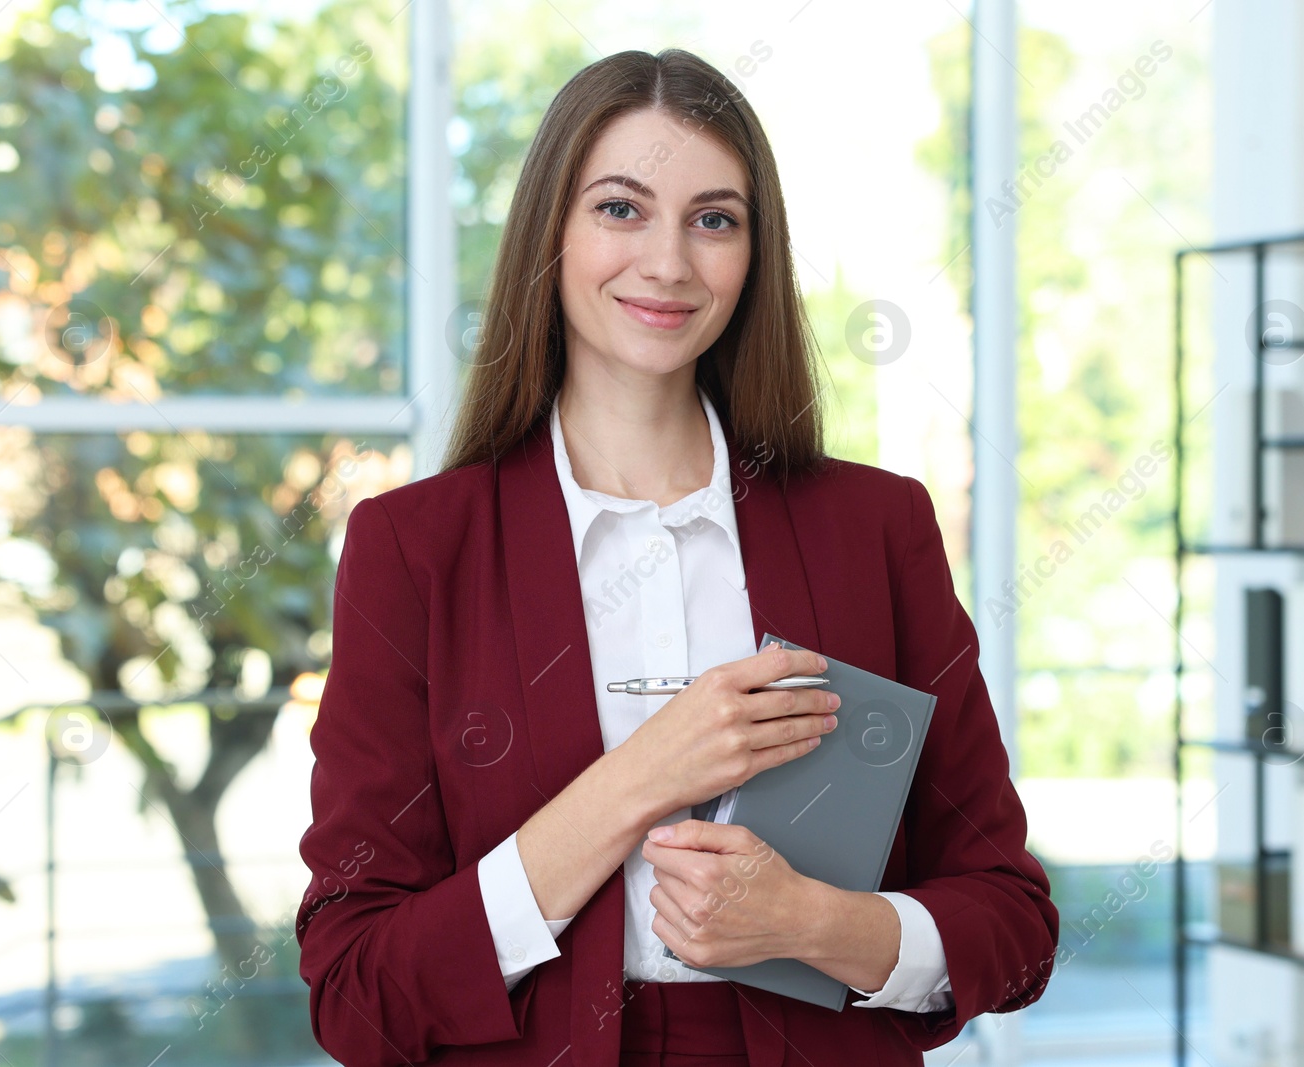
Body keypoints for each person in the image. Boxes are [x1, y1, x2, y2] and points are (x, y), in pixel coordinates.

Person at [296, 47, 1057, 1067]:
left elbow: (1012, 930)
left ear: (753, 253)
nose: (667, 261)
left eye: (713, 219)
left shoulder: (873, 529)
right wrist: (638, 779)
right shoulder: (417, 550)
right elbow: (357, 996)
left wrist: (811, 924)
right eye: (619, 208)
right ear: (548, 233)